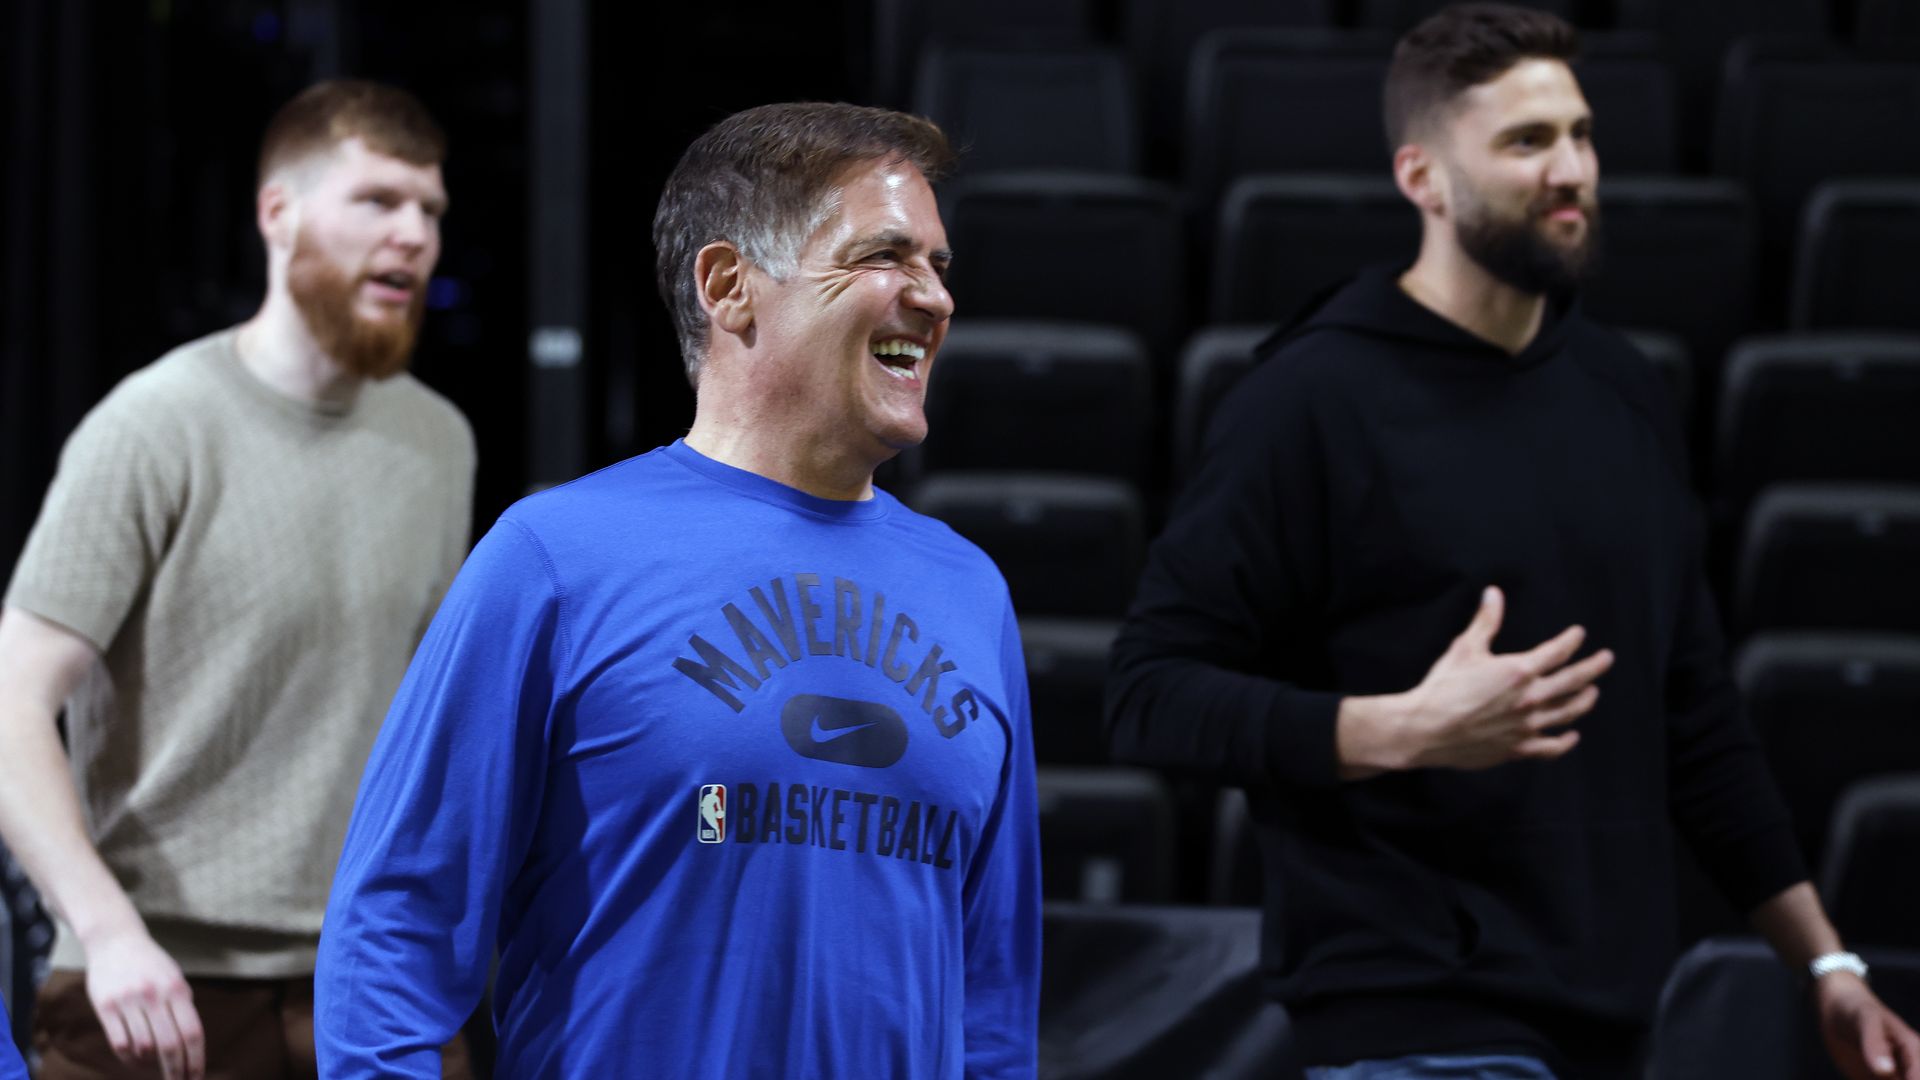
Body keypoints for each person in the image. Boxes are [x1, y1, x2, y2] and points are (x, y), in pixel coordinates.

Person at [1106, 5, 1920, 1079]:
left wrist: (1825, 967)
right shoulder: (1307, 399)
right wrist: (1395, 729)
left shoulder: (1624, 394)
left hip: (1614, 1018)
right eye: (1527, 142)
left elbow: (1695, 719)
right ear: (1422, 179)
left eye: (1580, 135)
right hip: (1409, 1018)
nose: (1572, 168)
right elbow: (1147, 695)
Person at [314, 102, 1041, 1078]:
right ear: (731, 286)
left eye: (939, 267)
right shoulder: (555, 558)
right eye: (886, 256)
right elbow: (393, 936)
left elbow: (991, 998)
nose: (934, 298)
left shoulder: (972, 593)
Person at [0, 80, 475, 1080]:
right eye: (379, 202)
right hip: (154, 988)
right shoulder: (154, 425)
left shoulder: (439, 442)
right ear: (279, 213)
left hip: (367, 977)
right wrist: (107, 932)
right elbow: (11, 700)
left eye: (430, 211)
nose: (413, 236)